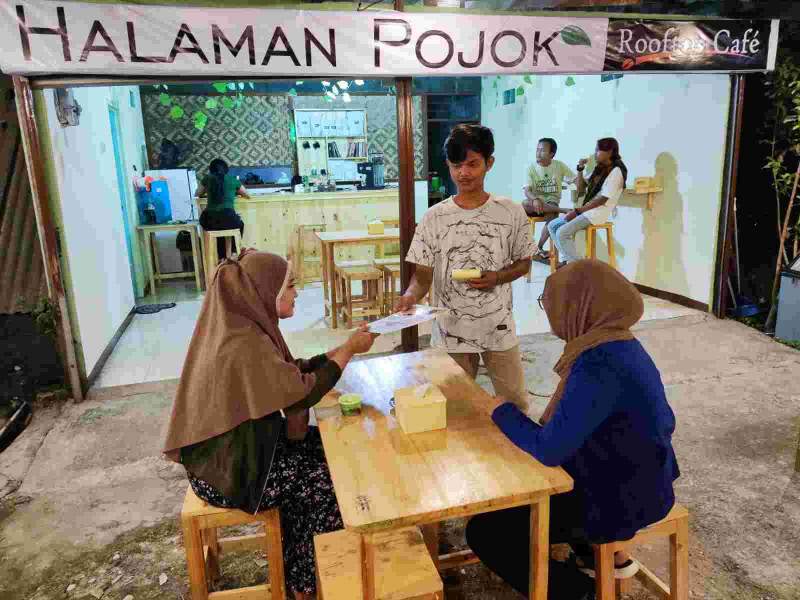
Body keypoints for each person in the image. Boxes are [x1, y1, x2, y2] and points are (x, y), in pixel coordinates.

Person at [163, 250, 378, 600]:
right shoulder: (243, 343)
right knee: (329, 481)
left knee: (331, 452)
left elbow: (292, 373)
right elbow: (300, 394)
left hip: (233, 453)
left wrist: (341, 348)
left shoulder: (245, 326)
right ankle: (308, 585)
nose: (297, 292)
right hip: (227, 471)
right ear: (264, 291)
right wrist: (349, 351)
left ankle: (299, 571)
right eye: (290, 286)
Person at [466, 260, 680, 599]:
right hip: (649, 480)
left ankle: (577, 592)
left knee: (487, 529)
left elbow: (549, 448)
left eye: (551, 303)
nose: (550, 312)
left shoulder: (599, 364)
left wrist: (501, 412)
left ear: (578, 306)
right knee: (548, 470)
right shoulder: (620, 343)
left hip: (623, 499)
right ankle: (599, 555)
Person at [396, 124, 535, 411]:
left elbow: (524, 262)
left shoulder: (510, 212)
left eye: (472, 164)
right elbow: (422, 275)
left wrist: (498, 277)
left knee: (516, 404)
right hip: (450, 329)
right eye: (456, 166)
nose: (464, 173)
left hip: (497, 326)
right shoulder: (434, 217)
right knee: (453, 408)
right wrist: (410, 296)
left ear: (489, 163)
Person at [548, 138, 627, 265]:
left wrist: (577, 212)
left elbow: (602, 200)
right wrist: (580, 168)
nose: (595, 153)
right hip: (586, 211)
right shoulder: (599, 169)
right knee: (552, 226)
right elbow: (580, 187)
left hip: (597, 213)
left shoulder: (616, 172)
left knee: (562, 233)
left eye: (598, 150)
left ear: (609, 152)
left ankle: (579, 267)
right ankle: (570, 261)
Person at [522, 138, 575, 259]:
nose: (538, 153)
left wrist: (581, 171)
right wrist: (535, 199)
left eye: (542, 150)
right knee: (524, 203)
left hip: (551, 204)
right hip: (534, 204)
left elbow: (574, 179)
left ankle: (538, 247)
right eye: (537, 150)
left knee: (552, 217)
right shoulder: (531, 168)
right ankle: (563, 210)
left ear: (551, 154)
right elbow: (527, 190)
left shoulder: (559, 166)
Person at [196, 158, 250, 258]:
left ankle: (221, 257)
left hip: (209, 221)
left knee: (218, 228)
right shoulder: (232, 179)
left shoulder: (207, 179)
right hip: (229, 219)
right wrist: (233, 192)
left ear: (211, 169)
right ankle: (233, 252)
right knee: (239, 224)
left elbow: (197, 194)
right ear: (226, 169)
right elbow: (247, 195)